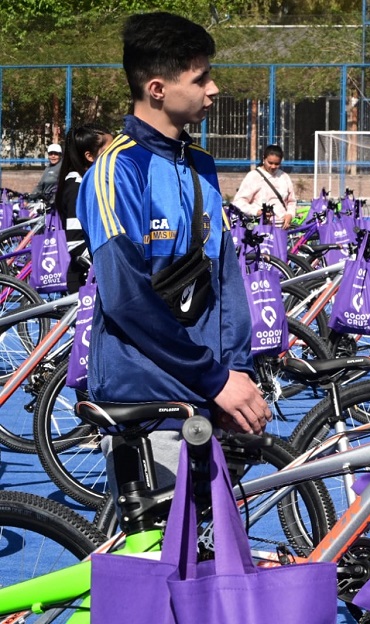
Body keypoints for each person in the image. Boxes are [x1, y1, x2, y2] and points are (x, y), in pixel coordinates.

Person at [77, 12, 270, 489]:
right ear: (158, 89)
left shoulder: (200, 164)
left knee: (211, 554)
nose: (214, 89)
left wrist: (236, 372)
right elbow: (125, 298)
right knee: (157, 557)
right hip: (152, 398)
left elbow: (224, 280)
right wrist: (216, 379)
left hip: (211, 391)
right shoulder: (117, 169)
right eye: (200, 77)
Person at [53, 124, 114, 292]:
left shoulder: (94, 181)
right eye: (111, 148)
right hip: (84, 280)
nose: (117, 152)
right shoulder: (76, 186)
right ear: (89, 156)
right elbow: (75, 242)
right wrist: (108, 264)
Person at [232, 144, 297, 228]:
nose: (273, 166)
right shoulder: (253, 176)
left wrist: (290, 214)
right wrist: (257, 211)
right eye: (270, 163)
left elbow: (291, 201)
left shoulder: (284, 177)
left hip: (282, 227)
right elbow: (238, 202)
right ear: (264, 159)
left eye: (277, 164)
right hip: (260, 228)